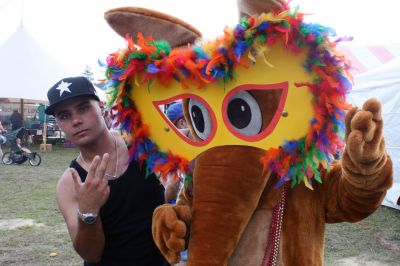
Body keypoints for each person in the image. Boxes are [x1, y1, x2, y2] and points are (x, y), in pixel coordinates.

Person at [46, 76, 167, 265]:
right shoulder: (69, 183)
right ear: (59, 124)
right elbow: (91, 254)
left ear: (101, 107)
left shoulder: (141, 145)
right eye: (64, 115)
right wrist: (88, 212)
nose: (76, 120)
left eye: (83, 108)